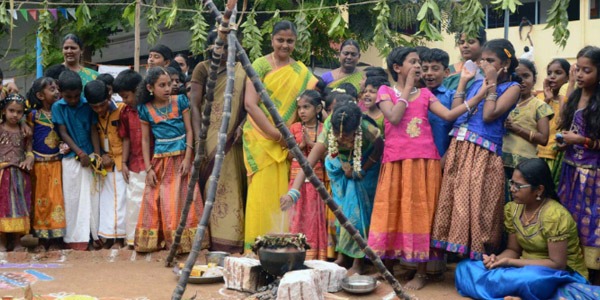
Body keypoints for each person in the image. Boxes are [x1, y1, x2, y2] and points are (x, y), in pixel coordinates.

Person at [369, 46, 488, 290]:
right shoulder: (385, 91)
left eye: (419, 62)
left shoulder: (425, 95)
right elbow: (393, 117)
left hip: (424, 162)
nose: (418, 66)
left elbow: (448, 115)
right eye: (413, 62)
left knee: (421, 215)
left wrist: (476, 98)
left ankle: (422, 272)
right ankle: (388, 267)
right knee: (391, 211)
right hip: (395, 162)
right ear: (397, 67)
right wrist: (406, 89)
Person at [455, 158, 600, 300]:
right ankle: (517, 293)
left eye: (518, 186)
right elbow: (513, 250)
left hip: (558, 274)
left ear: (539, 189)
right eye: (511, 183)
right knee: (465, 267)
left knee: (531, 280)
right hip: (523, 268)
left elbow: (557, 264)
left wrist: (509, 262)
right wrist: (497, 260)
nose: (512, 189)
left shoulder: (555, 216)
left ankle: (514, 292)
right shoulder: (513, 209)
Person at [431, 39, 521, 259]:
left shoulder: (512, 87)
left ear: (505, 65)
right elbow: (457, 112)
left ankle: (478, 258)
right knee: (453, 201)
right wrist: (463, 82)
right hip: (459, 147)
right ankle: (455, 257)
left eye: (491, 61)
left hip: (483, 152)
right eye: (483, 61)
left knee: (476, 205)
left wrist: (489, 85)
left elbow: (490, 114)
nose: (484, 65)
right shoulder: (475, 84)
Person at [283, 101, 383, 275]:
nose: (341, 139)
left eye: (347, 136)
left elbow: (379, 148)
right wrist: (293, 192)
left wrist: (362, 170)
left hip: (365, 166)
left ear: (357, 130)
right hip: (339, 166)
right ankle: (344, 256)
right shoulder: (330, 126)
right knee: (340, 212)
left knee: (356, 214)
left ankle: (358, 262)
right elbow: (308, 163)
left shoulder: (368, 129)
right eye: (338, 134)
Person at [242, 20, 317, 251]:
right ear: (272, 40)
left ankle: (279, 247)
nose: (285, 45)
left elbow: (306, 106)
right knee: (261, 194)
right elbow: (250, 104)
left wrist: (289, 137)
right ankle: (255, 247)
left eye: (290, 41)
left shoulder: (302, 72)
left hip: (288, 142)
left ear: (296, 42)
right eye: (280, 40)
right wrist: (276, 135)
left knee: (283, 194)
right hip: (260, 138)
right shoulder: (260, 64)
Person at [135, 67, 204, 253]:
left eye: (169, 84)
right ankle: (160, 240)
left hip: (182, 157)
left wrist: (188, 157)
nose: (168, 88)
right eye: (162, 85)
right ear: (150, 87)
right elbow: (145, 139)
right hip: (160, 160)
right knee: (159, 198)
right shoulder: (144, 109)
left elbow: (189, 130)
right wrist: (148, 168)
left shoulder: (181, 100)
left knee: (183, 197)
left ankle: (185, 242)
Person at [189, 31, 247, 253]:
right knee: (210, 184)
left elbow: (249, 105)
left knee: (231, 183)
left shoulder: (243, 70)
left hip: (234, 135)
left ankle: (231, 240)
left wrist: (242, 125)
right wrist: (199, 138)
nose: (222, 51)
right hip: (210, 133)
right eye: (218, 46)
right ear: (210, 48)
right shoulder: (203, 68)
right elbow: (195, 104)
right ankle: (210, 241)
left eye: (227, 46)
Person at [557, 46, 600, 284]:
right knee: (569, 218)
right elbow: (566, 126)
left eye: (587, 70)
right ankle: (573, 270)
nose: (581, 74)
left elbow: (585, 138)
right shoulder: (575, 95)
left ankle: (593, 276)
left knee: (592, 222)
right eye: (578, 69)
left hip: (594, 176)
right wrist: (565, 143)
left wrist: (582, 140)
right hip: (570, 171)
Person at [51, 70, 101, 251]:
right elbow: (62, 132)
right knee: (72, 199)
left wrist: (96, 155)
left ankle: (93, 235)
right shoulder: (58, 107)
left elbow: (94, 130)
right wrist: (80, 153)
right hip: (72, 159)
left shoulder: (87, 105)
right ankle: (74, 238)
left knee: (92, 198)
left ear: (81, 91)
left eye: (75, 96)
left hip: (90, 158)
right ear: (61, 92)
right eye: (68, 97)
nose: (72, 100)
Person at [282, 90, 326, 260]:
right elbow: (288, 155)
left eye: (306, 107)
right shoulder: (294, 128)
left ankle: (314, 254)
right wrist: (302, 145)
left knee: (314, 216)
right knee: (297, 215)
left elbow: (327, 155)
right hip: (296, 181)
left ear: (318, 108)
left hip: (317, 180)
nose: (302, 111)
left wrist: (312, 144)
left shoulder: (323, 129)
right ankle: (295, 252)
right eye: (299, 108)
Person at [86, 80, 127, 249]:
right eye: (95, 107)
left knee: (121, 200)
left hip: (121, 161)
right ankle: (108, 237)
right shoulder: (91, 114)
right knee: (107, 201)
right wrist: (101, 155)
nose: (99, 110)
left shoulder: (122, 110)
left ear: (109, 96)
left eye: (102, 105)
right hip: (105, 163)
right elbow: (94, 133)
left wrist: (123, 159)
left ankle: (120, 238)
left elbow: (127, 137)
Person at [26, 77, 66, 251]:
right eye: (52, 89)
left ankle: (57, 238)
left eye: (57, 88)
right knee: (41, 200)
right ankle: (42, 240)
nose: (56, 92)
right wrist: (29, 154)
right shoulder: (33, 115)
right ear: (40, 95)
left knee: (56, 199)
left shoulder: (60, 111)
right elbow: (28, 139)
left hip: (57, 161)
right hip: (40, 163)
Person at [502, 59, 553, 179]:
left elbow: (543, 139)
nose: (521, 81)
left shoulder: (539, 106)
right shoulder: (503, 102)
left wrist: (515, 128)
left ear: (534, 80)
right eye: (516, 76)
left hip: (525, 167)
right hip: (500, 161)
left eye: (526, 76)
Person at [114, 70, 146, 248]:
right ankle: (133, 239)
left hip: (152, 162)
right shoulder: (125, 112)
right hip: (134, 163)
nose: (124, 101)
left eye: (126, 96)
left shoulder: (149, 108)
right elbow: (125, 137)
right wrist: (124, 162)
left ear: (137, 90)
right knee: (133, 201)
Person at [0, 94, 33, 252]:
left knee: (19, 206)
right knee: (2, 207)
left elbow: (29, 150)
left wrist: (29, 159)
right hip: (2, 174)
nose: (15, 115)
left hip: (20, 175)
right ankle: (2, 241)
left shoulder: (25, 131)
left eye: (19, 112)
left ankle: (17, 240)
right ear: (4, 111)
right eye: (11, 110)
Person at [537, 58, 570, 185]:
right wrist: (547, 99)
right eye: (549, 73)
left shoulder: (569, 101)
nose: (552, 77)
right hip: (538, 154)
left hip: (558, 155)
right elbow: (532, 123)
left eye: (558, 72)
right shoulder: (540, 99)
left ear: (568, 77)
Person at [422, 48, 456, 157]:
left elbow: (457, 132)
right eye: (425, 69)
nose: (429, 73)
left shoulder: (452, 97)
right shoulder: (413, 96)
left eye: (435, 69)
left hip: (441, 158)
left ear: (446, 72)